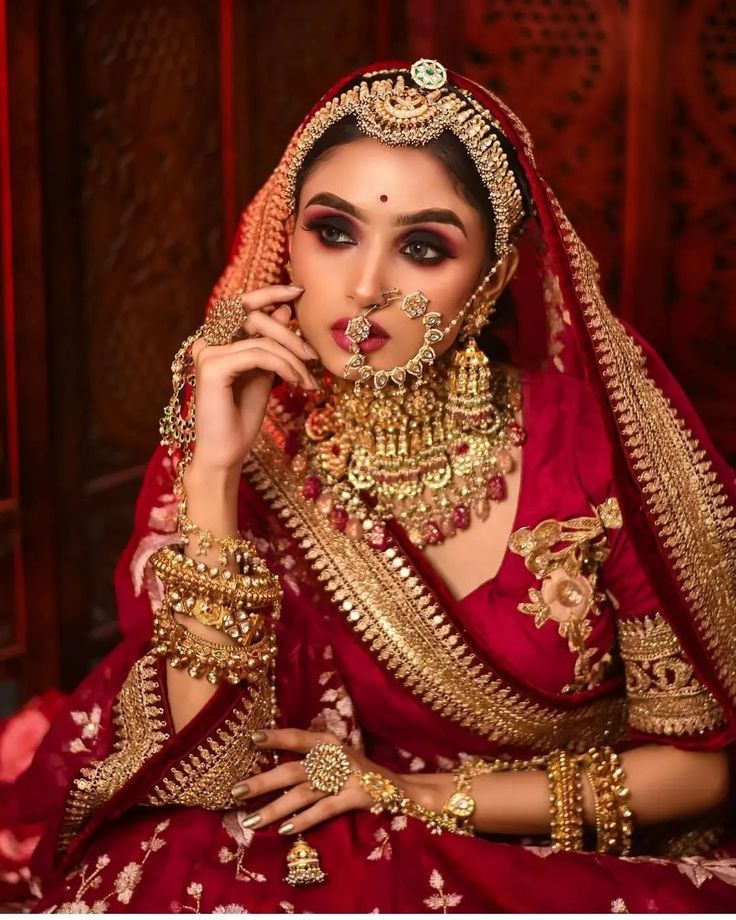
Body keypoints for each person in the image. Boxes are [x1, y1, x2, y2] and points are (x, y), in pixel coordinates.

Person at [9, 59, 736, 913]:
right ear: (287, 240)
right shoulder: (245, 439)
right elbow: (209, 770)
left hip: (550, 845)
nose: (364, 287)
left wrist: (418, 797)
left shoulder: (599, 450)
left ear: (490, 284)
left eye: (424, 247)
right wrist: (214, 471)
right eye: (334, 231)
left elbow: (697, 771)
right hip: (337, 822)